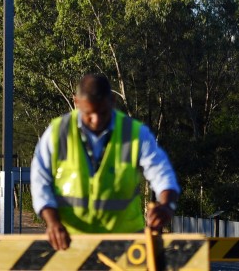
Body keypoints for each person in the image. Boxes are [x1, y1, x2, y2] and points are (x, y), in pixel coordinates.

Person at [31, 73, 180, 251]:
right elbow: (40, 183)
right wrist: (53, 223)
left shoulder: (133, 133)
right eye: (88, 114)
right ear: (76, 102)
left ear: (112, 101)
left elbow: (162, 174)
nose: (96, 120)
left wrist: (167, 205)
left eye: (102, 112)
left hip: (126, 247)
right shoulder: (57, 133)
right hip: (71, 245)